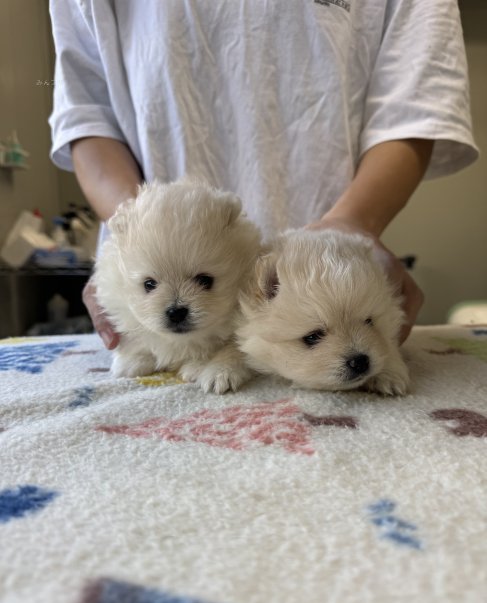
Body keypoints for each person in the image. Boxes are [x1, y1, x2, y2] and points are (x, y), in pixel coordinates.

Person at [48, 0, 478, 349]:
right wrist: (134, 230)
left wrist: (353, 226)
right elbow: (87, 118)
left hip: (326, 283)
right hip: (149, 325)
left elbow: (416, 109)